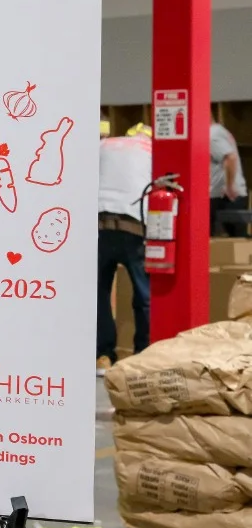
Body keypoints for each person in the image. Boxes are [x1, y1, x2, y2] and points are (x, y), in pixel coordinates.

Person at [98, 132, 153, 372]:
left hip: (98, 222)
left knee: (98, 294)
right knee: (144, 294)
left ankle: (102, 355)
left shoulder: (103, 144)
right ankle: (144, 353)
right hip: (134, 225)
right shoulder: (151, 148)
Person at [210, 119, 248, 237]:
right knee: (237, 243)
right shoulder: (220, 130)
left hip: (225, 196)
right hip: (231, 195)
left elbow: (230, 158)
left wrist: (229, 186)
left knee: (233, 243)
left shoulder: (211, 135)